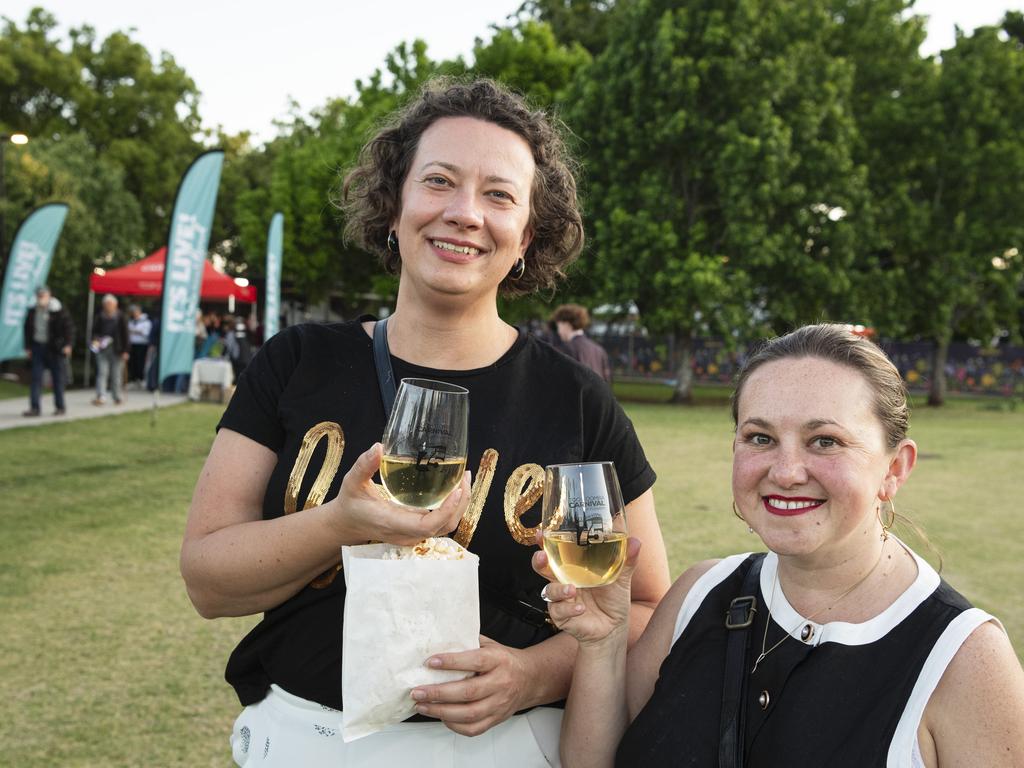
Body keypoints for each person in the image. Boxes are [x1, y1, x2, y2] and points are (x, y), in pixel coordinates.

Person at [179, 78, 671, 767]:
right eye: (439, 181)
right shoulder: (298, 362)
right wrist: (342, 523)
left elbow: (644, 611)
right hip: (309, 743)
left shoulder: (579, 400)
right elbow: (207, 581)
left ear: (527, 234)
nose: (465, 213)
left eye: (498, 194)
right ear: (394, 206)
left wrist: (535, 675)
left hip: (509, 748)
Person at [536, 323, 1024, 767]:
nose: (786, 472)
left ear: (895, 469)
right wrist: (602, 645)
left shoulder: (965, 661)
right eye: (760, 437)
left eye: (825, 441)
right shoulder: (698, 595)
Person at [22, 285, 73, 417]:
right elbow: (27, 329)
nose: (41, 298)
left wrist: (68, 344)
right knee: (35, 378)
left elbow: (68, 328)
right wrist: (28, 347)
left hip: (54, 349)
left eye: (43, 295)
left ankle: (60, 406)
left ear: (49, 296)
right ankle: (34, 408)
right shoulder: (33, 311)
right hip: (38, 347)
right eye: (39, 296)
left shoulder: (58, 310)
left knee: (57, 378)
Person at [551, 304, 611, 382]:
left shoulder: (564, 350)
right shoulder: (599, 350)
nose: (558, 331)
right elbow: (606, 380)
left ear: (566, 324)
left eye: (559, 326)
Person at [91, 293, 129, 405]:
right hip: (102, 348)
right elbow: (94, 332)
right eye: (106, 304)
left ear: (115, 305)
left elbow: (125, 335)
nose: (108, 306)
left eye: (110, 304)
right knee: (102, 373)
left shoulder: (121, 317)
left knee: (116, 374)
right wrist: (96, 343)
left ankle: (117, 396)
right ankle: (101, 396)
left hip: (117, 349)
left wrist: (126, 350)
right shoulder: (99, 316)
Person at [126, 304, 152, 387]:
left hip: (142, 344)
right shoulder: (131, 321)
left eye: (136, 312)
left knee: (140, 362)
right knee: (133, 362)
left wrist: (136, 331)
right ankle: (133, 379)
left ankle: (141, 379)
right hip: (133, 344)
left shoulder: (146, 321)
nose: (134, 313)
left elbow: (146, 333)